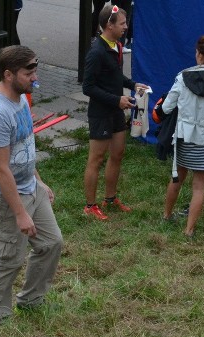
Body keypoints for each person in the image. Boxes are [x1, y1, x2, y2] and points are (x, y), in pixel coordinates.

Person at [0, 45, 63, 324]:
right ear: (8, 74)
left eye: (35, 69)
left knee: (51, 243)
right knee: (7, 260)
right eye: (29, 72)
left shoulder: (22, 99)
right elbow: (1, 169)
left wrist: (38, 181)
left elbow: (24, 146)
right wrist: (20, 212)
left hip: (29, 187)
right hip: (4, 197)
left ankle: (31, 300)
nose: (35, 77)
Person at [81, 3, 148, 221]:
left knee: (117, 154)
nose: (126, 27)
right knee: (96, 159)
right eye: (122, 23)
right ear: (109, 25)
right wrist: (116, 100)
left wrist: (133, 84)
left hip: (117, 110)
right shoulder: (96, 52)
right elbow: (88, 87)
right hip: (101, 113)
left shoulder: (116, 46)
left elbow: (115, 77)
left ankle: (110, 198)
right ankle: (90, 206)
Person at [161, 35, 204, 237]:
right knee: (199, 187)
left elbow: (166, 107)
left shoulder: (183, 77)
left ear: (199, 55)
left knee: (177, 178)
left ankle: (166, 215)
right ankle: (189, 230)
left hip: (184, 136)